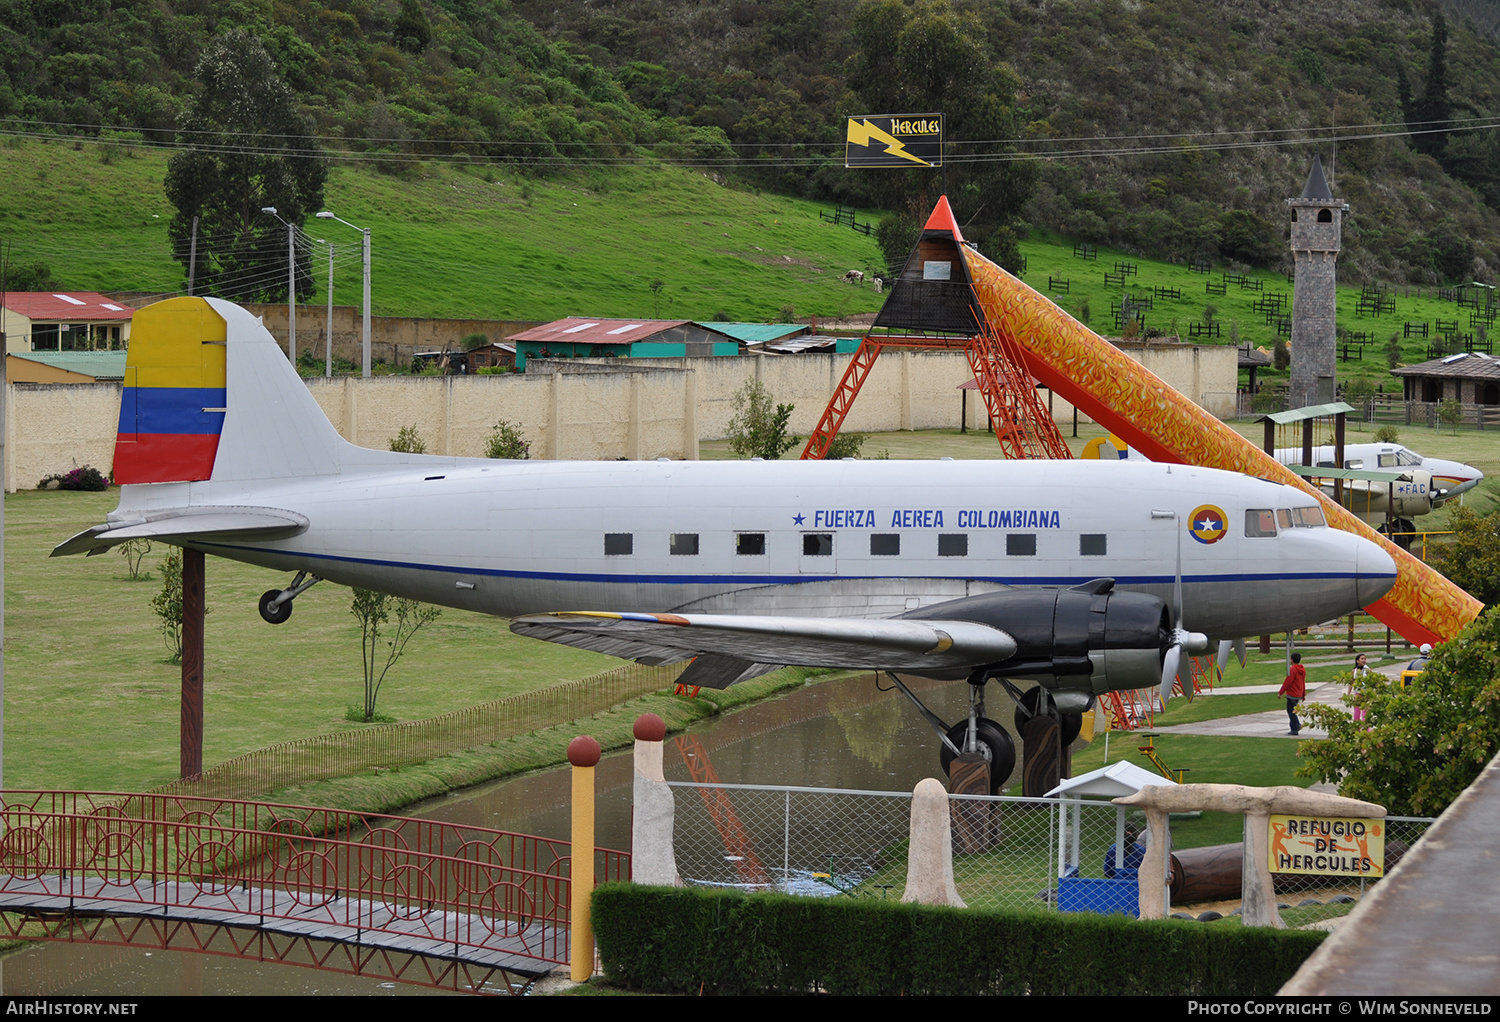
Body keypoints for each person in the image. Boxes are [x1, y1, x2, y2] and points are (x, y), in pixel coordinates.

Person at [1280, 652, 1306, 736]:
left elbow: (1288, 682)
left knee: (1291, 712)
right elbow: (1302, 682)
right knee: (1293, 711)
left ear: (1291, 660)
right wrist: (1303, 694)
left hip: (1292, 694)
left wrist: (1281, 692)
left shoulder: (1292, 669)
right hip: (1298, 693)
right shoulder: (1302, 669)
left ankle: (1296, 726)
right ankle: (1294, 729)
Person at [1347, 653, 1370, 723]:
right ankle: (1357, 727)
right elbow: (1351, 683)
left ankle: (1366, 728)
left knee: (1365, 711)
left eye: (1365, 659)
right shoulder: (1354, 671)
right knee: (1356, 711)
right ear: (1357, 661)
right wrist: (1349, 693)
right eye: (1362, 659)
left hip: (1366, 692)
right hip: (1357, 692)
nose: (1364, 660)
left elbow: (1372, 681)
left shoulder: (1368, 670)